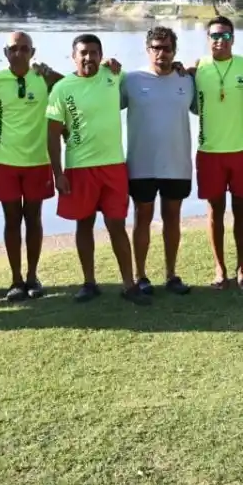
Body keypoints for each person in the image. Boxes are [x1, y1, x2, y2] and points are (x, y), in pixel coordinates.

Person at [47, 34, 148, 306]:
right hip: (80, 168)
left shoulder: (113, 75)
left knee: (117, 224)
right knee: (84, 223)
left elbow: (147, 78)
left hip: (113, 165)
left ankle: (129, 284)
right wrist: (58, 173)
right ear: (73, 56)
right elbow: (53, 134)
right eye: (83, 53)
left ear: (101, 55)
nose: (88, 58)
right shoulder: (62, 88)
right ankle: (89, 282)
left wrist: (180, 69)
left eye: (94, 52)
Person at [122, 26, 195, 295]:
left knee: (172, 218)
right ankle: (141, 275)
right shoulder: (130, 80)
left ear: (174, 50)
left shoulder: (186, 80)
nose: (161, 53)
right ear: (147, 49)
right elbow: (101, 101)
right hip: (141, 164)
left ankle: (171, 274)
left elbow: (206, 107)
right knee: (142, 217)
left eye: (166, 48)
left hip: (177, 163)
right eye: (156, 47)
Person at [0, 31, 57, 301]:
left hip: (38, 160)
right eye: (13, 49)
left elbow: (72, 87)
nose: (19, 54)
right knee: (11, 219)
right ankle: (15, 280)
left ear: (33, 52)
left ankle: (32, 277)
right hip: (4, 159)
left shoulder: (43, 77)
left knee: (34, 218)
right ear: (5, 53)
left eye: (24, 49)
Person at [191, 16, 243, 289]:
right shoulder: (196, 68)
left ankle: (242, 268)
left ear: (233, 38)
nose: (220, 40)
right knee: (214, 212)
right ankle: (220, 268)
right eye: (215, 36)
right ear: (207, 39)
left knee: (242, 212)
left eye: (226, 36)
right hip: (209, 152)